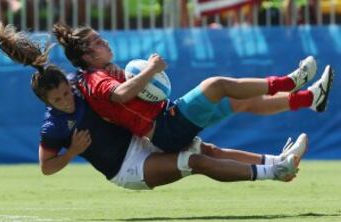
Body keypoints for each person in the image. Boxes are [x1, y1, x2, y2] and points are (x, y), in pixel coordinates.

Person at [0, 22, 307, 191]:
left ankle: (279, 161)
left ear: (68, 84)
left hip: (143, 140)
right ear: (46, 103)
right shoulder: (52, 126)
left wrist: (119, 69)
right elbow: (46, 167)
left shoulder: (80, 83)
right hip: (126, 168)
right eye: (58, 100)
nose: (66, 100)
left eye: (65, 93)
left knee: (208, 150)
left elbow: (107, 88)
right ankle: (274, 169)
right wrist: (73, 153)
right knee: (195, 161)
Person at [53, 22, 334, 154]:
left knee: (241, 102)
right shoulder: (94, 78)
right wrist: (151, 69)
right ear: (88, 56)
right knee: (217, 85)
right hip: (165, 128)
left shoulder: (100, 73)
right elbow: (120, 96)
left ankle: (310, 98)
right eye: (98, 42)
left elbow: (125, 96)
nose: (105, 42)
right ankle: (290, 81)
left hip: (167, 121)